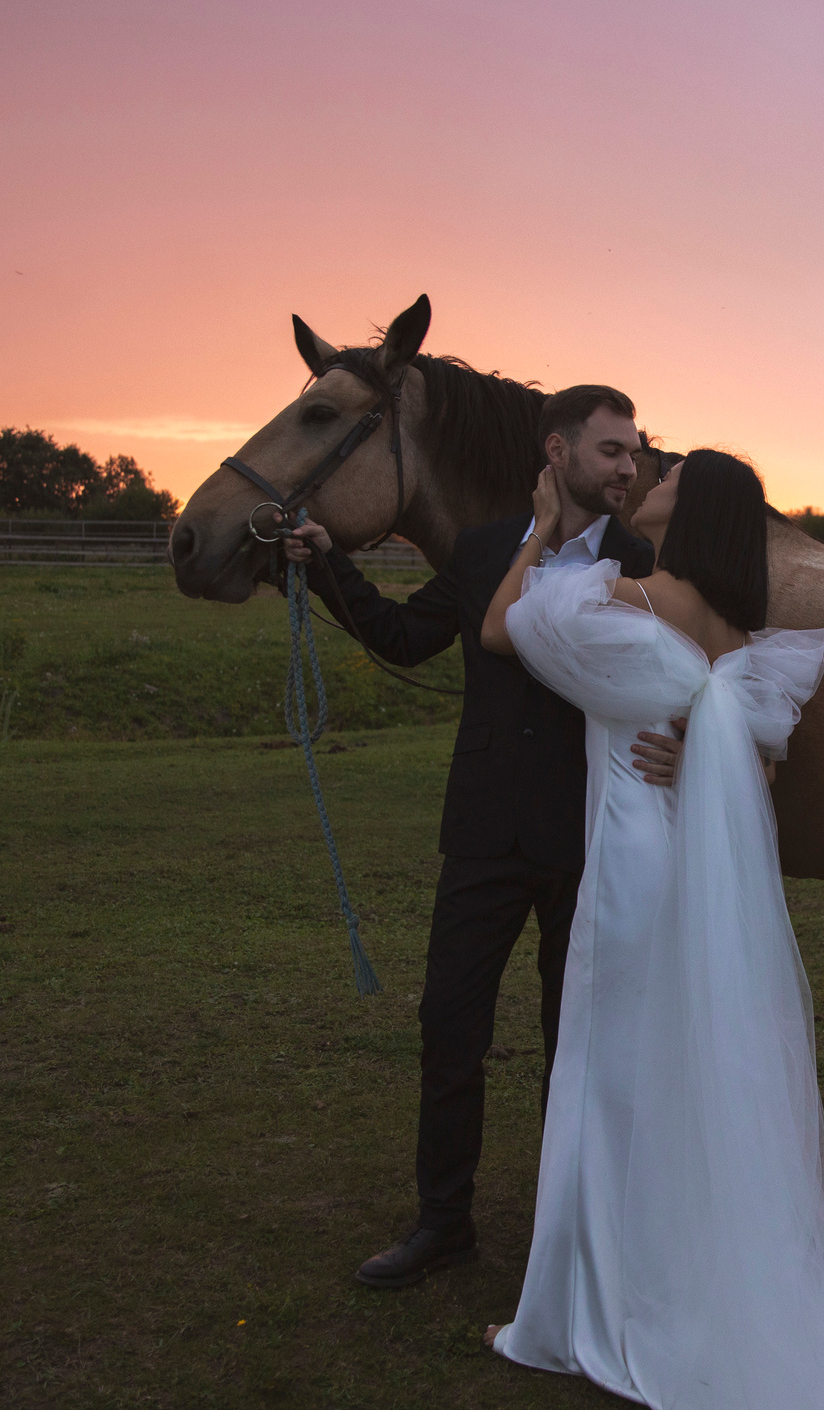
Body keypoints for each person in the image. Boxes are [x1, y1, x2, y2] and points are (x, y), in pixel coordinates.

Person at [480, 447, 824, 1410]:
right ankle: (681, 1277)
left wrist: (542, 526)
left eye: (658, 478)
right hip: (701, 875)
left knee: (610, 1075)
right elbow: (762, 775)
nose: (639, 480)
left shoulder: (618, 601)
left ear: (684, 510)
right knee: (688, 1074)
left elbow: (502, 630)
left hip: (639, 869)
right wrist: (704, 735)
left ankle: (590, 1312)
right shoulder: (744, 647)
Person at [281, 385, 682, 1289]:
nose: (629, 467)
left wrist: (690, 744)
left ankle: (571, 1231)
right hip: (485, 832)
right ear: (558, 451)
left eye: (635, 452)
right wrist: (324, 565)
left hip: (592, 834)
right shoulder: (486, 548)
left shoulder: (645, 558)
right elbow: (401, 633)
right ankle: (442, 1222)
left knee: (573, 1037)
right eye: (613, 450)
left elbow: (691, 668)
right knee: (448, 1025)